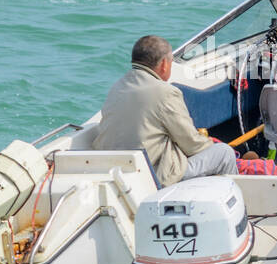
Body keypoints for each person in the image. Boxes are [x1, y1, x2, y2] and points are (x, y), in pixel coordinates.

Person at [92, 35, 238, 184]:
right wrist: (210, 144)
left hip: (114, 170)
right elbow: (192, 144)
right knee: (224, 153)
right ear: (164, 64)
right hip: (153, 176)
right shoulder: (166, 92)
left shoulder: (117, 87)